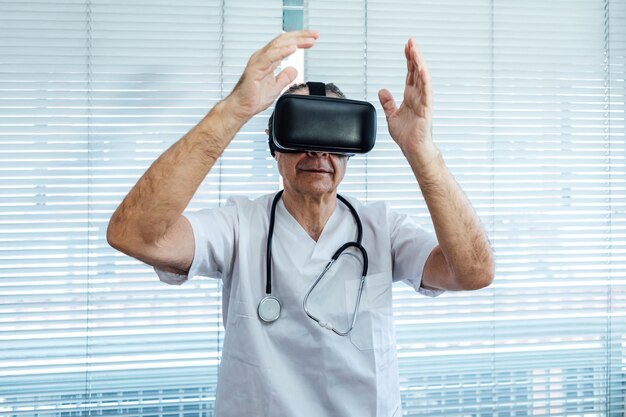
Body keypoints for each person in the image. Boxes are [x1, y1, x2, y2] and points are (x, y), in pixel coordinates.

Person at [107, 30, 495, 417]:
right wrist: (232, 111)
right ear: (274, 143)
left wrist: (421, 151)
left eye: (332, 132)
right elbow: (135, 234)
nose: (316, 149)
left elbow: (473, 272)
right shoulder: (237, 227)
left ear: (351, 146)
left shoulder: (382, 230)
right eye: (300, 129)